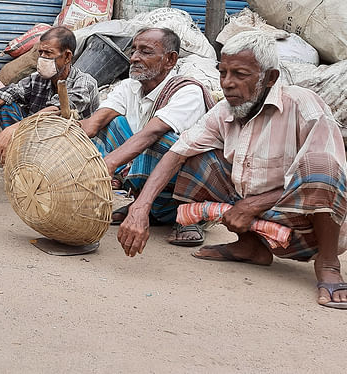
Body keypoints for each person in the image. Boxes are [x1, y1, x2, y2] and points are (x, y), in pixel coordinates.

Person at [118, 31, 347, 309]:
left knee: (321, 164)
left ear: (269, 78)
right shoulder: (224, 111)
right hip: (251, 218)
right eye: (223, 72)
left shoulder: (302, 104)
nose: (227, 84)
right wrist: (140, 208)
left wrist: (253, 205)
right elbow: (176, 153)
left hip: (307, 226)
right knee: (194, 157)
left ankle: (328, 264)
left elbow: (329, 177)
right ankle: (250, 246)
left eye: (240, 74)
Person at [79, 27, 214, 246]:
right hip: (151, 177)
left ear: (170, 60)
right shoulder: (128, 86)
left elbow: (152, 133)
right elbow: (95, 123)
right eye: (133, 50)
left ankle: (188, 216)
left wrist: (107, 164)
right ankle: (145, 206)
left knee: (162, 140)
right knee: (111, 125)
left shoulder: (188, 91)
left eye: (145, 51)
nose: (134, 58)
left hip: (184, 186)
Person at [0, 26, 98, 178]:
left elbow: (55, 111)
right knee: (5, 106)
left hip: (73, 149)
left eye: (48, 53)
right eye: (40, 52)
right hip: (39, 143)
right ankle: (24, 165)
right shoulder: (37, 79)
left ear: (67, 57)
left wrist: (10, 131)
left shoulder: (84, 82)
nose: (42, 58)